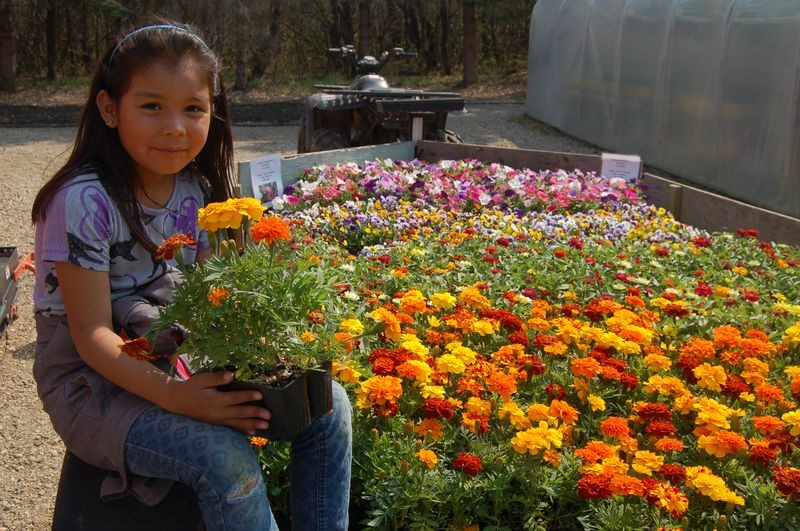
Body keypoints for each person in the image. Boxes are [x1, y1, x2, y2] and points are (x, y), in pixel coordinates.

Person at [30, 21, 352, 530]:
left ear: (213, 112)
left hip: (177, 352)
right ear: (110, 110)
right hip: (93, 383)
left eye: (193, 109)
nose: (175, 127)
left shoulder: (197, 191)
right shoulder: (83, 201)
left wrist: (257, 341)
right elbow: (91, 337)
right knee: (222, 456)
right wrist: (177, 396)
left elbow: (213, 305)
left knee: (326, 403)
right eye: (152, 106)